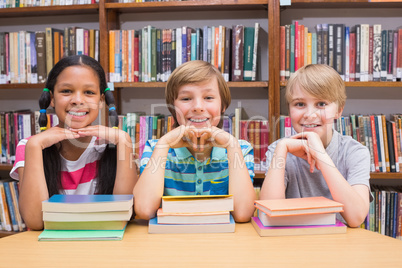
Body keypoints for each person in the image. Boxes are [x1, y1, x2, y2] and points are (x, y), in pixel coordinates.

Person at [10, 55, 138, 230]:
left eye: (89, 92)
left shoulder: (114, 144)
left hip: (104, 243)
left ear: (101, 101)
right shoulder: (29, 146)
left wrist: (124, 141)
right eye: (66, 91)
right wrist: (35, 146)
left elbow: (124, 214)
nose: (78, 100)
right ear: (52, 99)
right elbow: (35, 221)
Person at [133, 60, 256, 222]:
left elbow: (243, 214)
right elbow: (144, 210)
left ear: (223, 105)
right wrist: (163, 146)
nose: (198, 107)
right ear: (173, 107)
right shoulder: (155, 148)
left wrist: (232, 147)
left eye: (209, 97)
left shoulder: (241, 148)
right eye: (186, 99)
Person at [259, 64, 371, 228]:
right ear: (289, 109)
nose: (310, 115)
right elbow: (268, 215)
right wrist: (282, 148)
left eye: (321, 104)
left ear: (339, 110)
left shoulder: (355, 152)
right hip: (291, 242)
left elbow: (355, 218)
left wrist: (320, 154)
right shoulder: (278, 150)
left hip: (340, 245)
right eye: (299, 104)